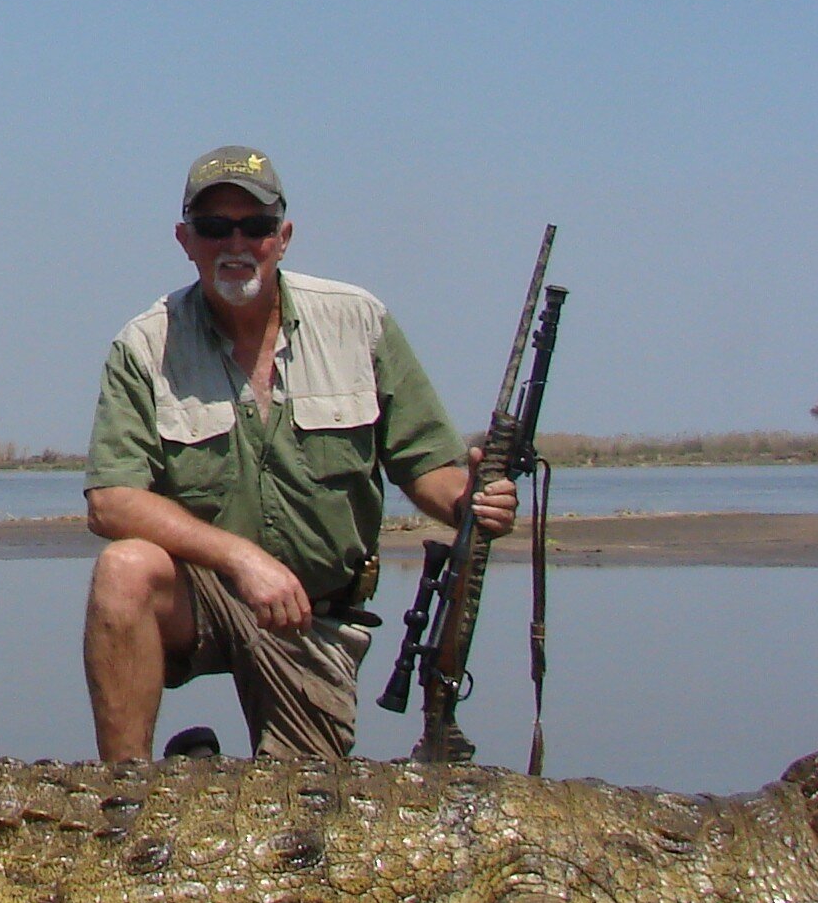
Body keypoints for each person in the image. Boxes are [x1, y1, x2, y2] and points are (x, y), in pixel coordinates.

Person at [81, 146, 516, 761]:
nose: (236, 242)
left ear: (283, 237)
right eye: (214, 227)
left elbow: (427, 465)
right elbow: (111, 501)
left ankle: (199, 770)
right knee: (124, 569)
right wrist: (241, 560)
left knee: (302, 816)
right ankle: (124, 798)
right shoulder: (144, 345)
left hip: (315, 618)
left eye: (255, 226)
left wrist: (474, 502)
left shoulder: (359, 321)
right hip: (200, 594)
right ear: (185, 239)